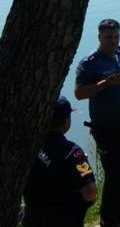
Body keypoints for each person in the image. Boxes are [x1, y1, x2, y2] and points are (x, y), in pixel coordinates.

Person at [74, 19, 120, 227]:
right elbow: (79, 93)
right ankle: (107, 219)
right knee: (113, 173)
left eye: (116, 36)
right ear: (100, 38)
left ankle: (119, 213)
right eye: (109, 37)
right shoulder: (90, 63)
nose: (113, 41)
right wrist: (105, 83)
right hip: (105, 127)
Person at [23, 96, 97, 227]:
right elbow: (90, 192)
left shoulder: (30, 145)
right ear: (65, 122)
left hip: (33, 218)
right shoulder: (74, 153)